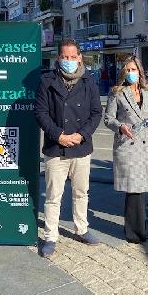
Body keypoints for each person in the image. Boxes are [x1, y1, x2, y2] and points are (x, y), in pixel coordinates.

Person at [35, 38, 102, 257]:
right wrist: (59, 136)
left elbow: (96, 113)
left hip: (81, 147)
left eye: (73, 57)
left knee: (81, 193)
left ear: (80, 57)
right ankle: (50, 237)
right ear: (58, 58)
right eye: (65, 56)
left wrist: (81, 135)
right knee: (54, 196)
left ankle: (81, 229)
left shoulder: (88, 81)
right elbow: (40, 113)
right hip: (57, 148)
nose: (69, 61)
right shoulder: (47, 81)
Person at [104, 56, 148, 243]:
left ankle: (139, 229)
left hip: (145, 147)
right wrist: (121, 126)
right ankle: (135, 232)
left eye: (134, 70)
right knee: (134, 190)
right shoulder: (117, 93)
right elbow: (108, 118)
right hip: (127, 146)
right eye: (127, 70)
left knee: (141, 190)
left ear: (140, 72)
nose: (131, 73)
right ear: (124, 72)